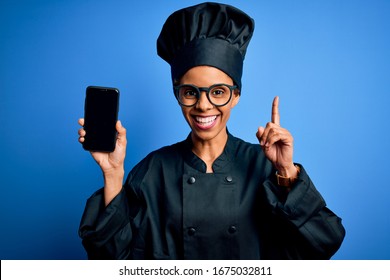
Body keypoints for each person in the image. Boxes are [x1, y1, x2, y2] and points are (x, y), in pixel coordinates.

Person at [78, 2, 345, 259]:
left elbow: (324, 243)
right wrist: (113, 174)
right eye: (190, 92)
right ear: (177, 94)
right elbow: (110, 262)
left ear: (236, 95)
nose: (203, 106)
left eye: (218, 92)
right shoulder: (152, 172)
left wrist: (287, 172)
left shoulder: (264, 166)